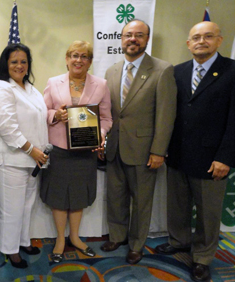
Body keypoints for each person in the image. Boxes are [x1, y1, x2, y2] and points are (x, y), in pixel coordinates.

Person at [155, 21, 235, 282]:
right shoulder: (177, 71)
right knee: (177, 206)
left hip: (212, 159)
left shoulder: (232, 71)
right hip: (177, 153)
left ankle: (202, 256)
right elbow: (169, 113)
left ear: (219, 40)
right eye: (196, 37)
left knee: (208, 213)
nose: (202, 41)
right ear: (188, 43)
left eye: (208, 36)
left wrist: (225, 157)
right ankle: (179, 241)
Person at [100, 19, 177, 264]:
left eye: (139, 35)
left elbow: (166, 115)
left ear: (147, 39)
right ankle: (118, 236)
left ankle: (136, 244)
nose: (133, 39)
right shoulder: (111, 71)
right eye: (128, 35)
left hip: (145, 152)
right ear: (121, 40)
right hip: (114, 148)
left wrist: (158, 151)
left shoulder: (162, 70)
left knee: (142, 202)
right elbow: (108, 112)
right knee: (115, 198)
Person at [41, 40, 112, 262]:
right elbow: (42, 111)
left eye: (83, 56)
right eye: (74, 55)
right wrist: (55, 115)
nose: (78, 60)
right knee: (59, 195)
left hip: (85, 151)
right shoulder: (53, 83)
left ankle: (76, 237)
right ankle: (61, 239)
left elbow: (107, 118)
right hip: (60, 149)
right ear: (66, 59)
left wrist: (100, 134)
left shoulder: (101, 84)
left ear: (90, 61)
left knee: (79, 195)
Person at [0, 43, 48, 268]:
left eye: (23, 61)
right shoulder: (2, 88)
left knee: (27, 206)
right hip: (11, 159)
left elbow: (39, 118)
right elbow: (7, 128)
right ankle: (10, 250)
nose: (19, 66)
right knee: (11, 209)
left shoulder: (30, 88)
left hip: (33, 160)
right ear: (5, 64)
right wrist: (33, 150)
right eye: (14, 62)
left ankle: (22, 241)